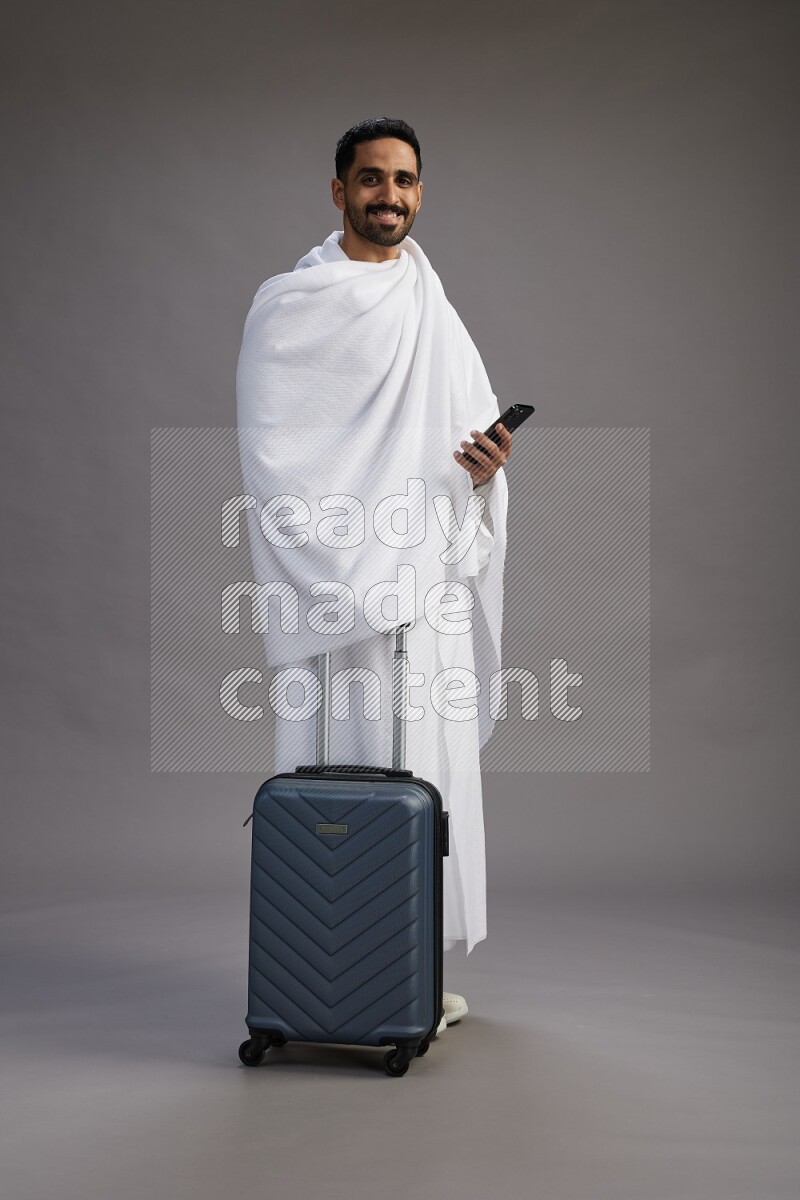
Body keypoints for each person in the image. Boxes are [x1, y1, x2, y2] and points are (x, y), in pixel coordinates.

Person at [236, 117, 513, 1035]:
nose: (387, 195)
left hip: (418, 589)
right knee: (334, 770)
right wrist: (347, 566)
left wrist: (483, 471)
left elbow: (466, 437)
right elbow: (275, 456)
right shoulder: (290, 305)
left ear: (420, 193)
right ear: (338, 191)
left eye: (403, 181)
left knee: (417, 771)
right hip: (334, 598)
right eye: (369, 179)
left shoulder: (435, 306)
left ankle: (403, 973)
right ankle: (320, 975)